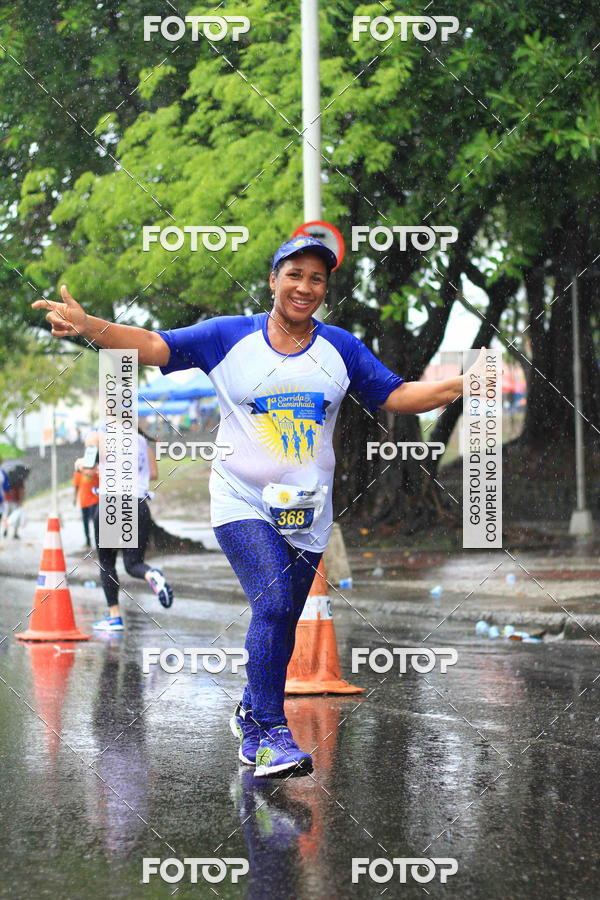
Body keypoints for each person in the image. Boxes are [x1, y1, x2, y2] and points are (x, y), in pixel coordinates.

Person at [33, 235, 472, 777]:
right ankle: (266, 734)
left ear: (325, 289)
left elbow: (398, 395)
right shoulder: (227, 337)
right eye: (294, 275)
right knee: (271, 600)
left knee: (284, 615)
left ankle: (251, 706)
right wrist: (90, 325)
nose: (305, 287)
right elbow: (151, 344)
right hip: (240, 499)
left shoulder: (341, 348)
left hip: (308, 511)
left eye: (316, 279)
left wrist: (458, 386)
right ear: (273, 280)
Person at [81, 429, 174, 631]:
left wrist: (79, 465)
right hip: (138, 503)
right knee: (134, 564)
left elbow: (89, 469)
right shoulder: (141, 441)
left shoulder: (98, 435)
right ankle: (152, 575)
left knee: (107, 563)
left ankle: (114, 617)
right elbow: (154, 474)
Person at [72, 456, 99, 550]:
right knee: (85, 522)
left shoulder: (94, 470)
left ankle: (97, 542)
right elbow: (76, 486)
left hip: (95, 500)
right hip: (83, 501)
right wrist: (75, 498)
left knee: (95, 521)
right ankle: (88, 541)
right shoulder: (78, 472)